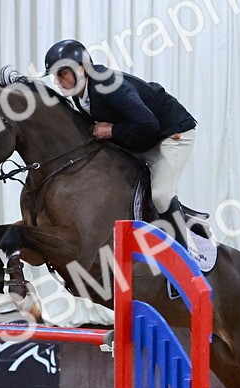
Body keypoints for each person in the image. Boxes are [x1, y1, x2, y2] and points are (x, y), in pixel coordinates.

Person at [43, 39, 206, 242]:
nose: (57, 81)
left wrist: (112, 130)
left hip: (171, 134)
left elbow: (148, 123)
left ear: (81, 69)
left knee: (161, 195)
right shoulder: (79, 93)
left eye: (61, 73)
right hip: (140, 138)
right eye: (55, 76)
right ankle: (184, 218)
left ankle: (183, 253)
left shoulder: (108, 85)